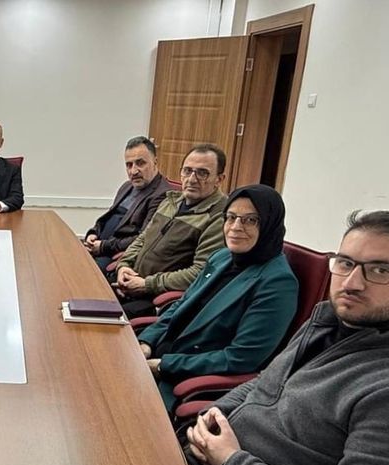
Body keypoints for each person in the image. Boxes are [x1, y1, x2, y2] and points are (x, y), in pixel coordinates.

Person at [186, 210, 389, 465]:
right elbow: (266, 381)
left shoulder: (380, 388)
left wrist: (230, 461)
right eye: (346, 263)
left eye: (380, 270)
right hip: (206, 463)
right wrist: (213, 415)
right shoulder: (324, 322)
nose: (352, 282)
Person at [136, 185, 298, 411]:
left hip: (185, 377)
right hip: (157, 356)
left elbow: (240, 358)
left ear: (270, 224)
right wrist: (146, 342)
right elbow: (181, 305)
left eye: (250, 220)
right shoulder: (222, 257)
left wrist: (165, 366)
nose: (236, 227)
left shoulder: (278, 282)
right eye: (231, 217)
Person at [113, 144, 228, 318]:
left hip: (155, 298)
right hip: (131, 282)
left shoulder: (219, 217)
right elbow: (143, 238)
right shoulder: (171, 201)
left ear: (219, 179)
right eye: (187, 171)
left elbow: (200, 272)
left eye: (202, 173)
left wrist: (147, 284)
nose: (192, 179)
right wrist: (124, 266)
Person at [84, 136, 174, 272]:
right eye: (129, 165)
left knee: (81, 271)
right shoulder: (127, 186)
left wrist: (103, 246)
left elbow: (144, 238)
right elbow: (109, 217)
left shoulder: (162, 195)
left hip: (116, 255)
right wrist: (94, 233)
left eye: (140, 163)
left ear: (155, 162)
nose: (133, 171)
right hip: (99, 245)